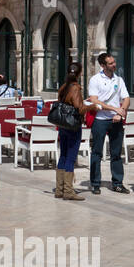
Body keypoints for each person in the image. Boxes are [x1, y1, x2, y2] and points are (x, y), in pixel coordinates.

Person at [86, 51, 130, 195]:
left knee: (116, 153)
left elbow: (126, 98)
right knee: (97, 152)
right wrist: (113, 108)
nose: (114, 65)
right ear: (103, 65)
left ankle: (117, 183)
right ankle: (95, 183)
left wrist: (120, 111)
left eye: (114, 62)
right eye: (111, 63)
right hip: (100, 120)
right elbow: (93, 100)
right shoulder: (95, 80)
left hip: (116, 121)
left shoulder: (119, 80)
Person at [53, 62, 86, 201]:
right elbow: (79, 108)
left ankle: (59, 189)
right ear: (79, 74)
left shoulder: (63, 87)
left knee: (63, 155)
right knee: (71, 157)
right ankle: (68, 191)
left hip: (63, 126)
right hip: (73, 127)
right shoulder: (75, 88)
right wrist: (92, 107)